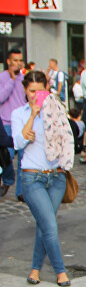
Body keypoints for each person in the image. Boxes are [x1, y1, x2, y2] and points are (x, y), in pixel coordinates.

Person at [11, 70, 74, 285]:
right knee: (49, 226)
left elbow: (67, 135)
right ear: (25, 91)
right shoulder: (19, 114)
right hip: (32, 178)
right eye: (31, 91)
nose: (35, 95)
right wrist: (32, 115)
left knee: (43, 226)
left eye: (40, 90)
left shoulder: (56, 109)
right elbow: (19, 143)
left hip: (56, 177)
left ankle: (35, 270)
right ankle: (60, 271)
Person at [0, 46, 26, 198]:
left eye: (20, 60)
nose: (18, 63)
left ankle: (21, 192)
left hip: (22, 123)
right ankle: (8, 180)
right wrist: (11, 80)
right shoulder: (3, 77)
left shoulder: (23, 79)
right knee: (6, 157)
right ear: (9, 61)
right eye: (15, 60)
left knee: (23, 160)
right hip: (6, 123)